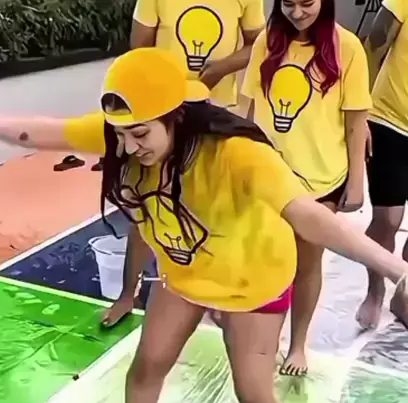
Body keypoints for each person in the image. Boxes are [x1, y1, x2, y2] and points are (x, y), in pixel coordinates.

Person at [0, 47, 408, 403]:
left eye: (140, 134)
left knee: (253, 395)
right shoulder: (125, 136)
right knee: (147, 365)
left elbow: (309, 216)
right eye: (120, 135)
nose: (128, 147)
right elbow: (41, 132)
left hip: (253, 280)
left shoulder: (236, 155)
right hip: (186, 275)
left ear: (176, 116)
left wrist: (396, 269)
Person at [94, 0, 266, 307]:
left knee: (213, 204)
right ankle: (129, 292)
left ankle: (218, 286)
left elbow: (259, 43)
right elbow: (139, 52)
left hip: (213, 112)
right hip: (160, 114)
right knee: (146, 199)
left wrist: (218, 70)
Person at [240, 0, 371, 375]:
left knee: (307, 264)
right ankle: (265, 340)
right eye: (289, 4)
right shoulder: (268, 41)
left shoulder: (348, 48)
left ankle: (298, 344)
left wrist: (356, 182)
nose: (297, 13)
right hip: (269, 174)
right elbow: (251, 110)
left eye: (307, 3)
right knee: (265, 261)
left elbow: (355, 121)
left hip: (321, 179)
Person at [356, 0, 408, 329]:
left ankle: (403, 294)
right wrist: (358, 109)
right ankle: (374, 289)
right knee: (388, 218)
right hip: (390, 121)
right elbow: (373, 46)